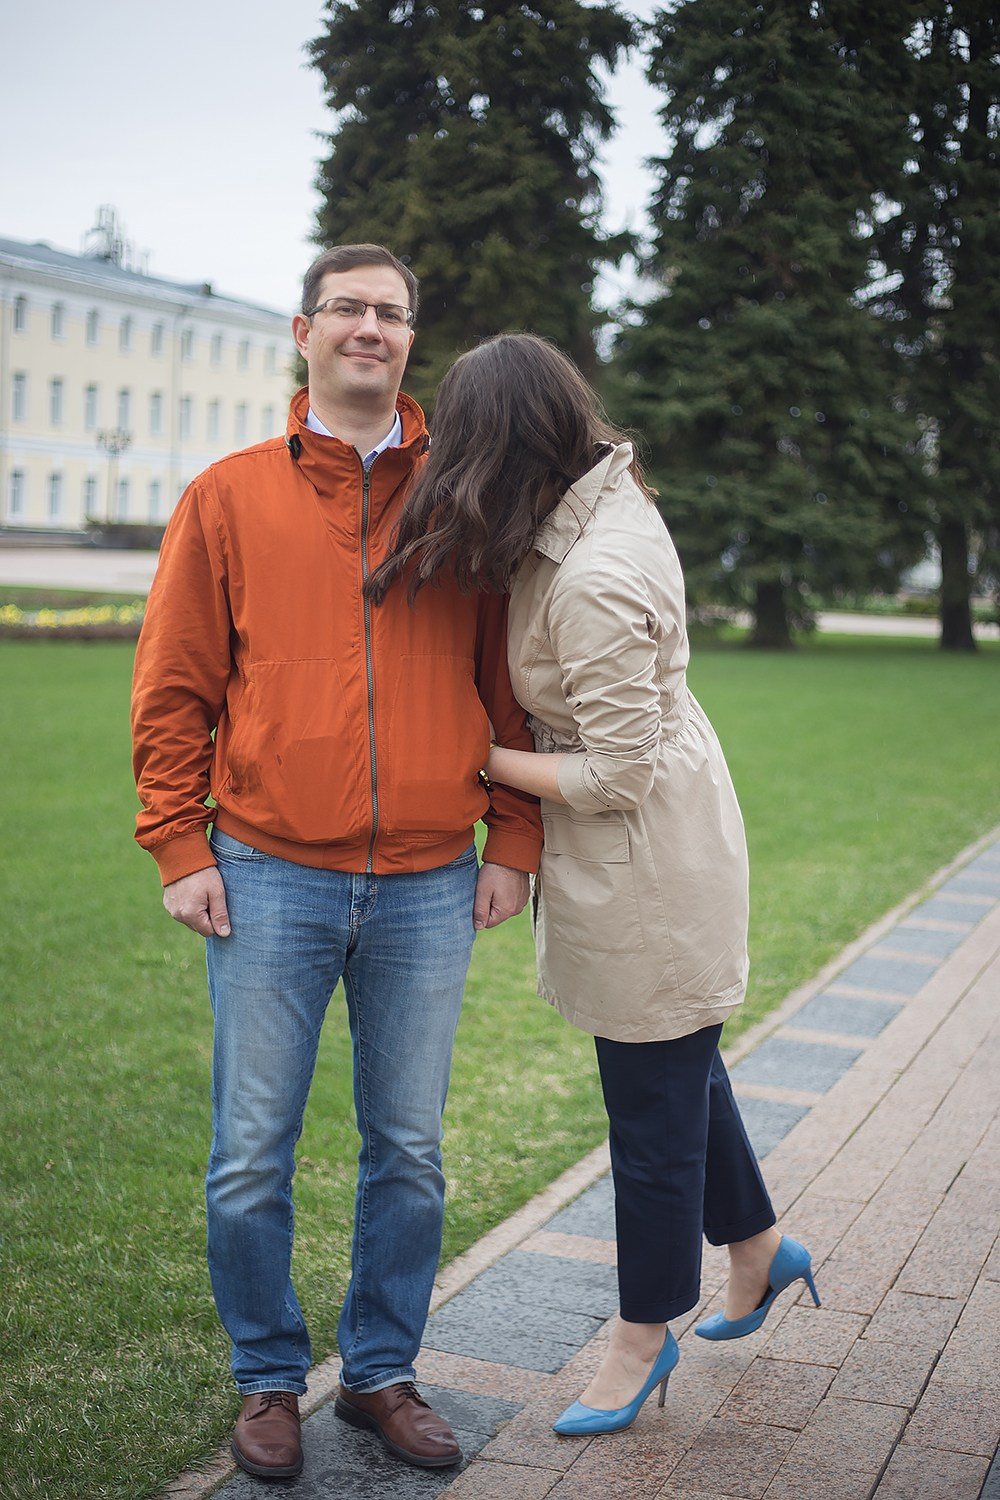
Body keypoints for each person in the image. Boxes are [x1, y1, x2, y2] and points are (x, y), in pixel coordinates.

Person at [130, 248, 542, 1480]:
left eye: (394, 313)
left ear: (412, 340)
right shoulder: (227, 495)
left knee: (406, 1149)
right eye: (350, 309)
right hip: (265, 872)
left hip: (426, 878)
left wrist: (511, 841)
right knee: (253, 1147)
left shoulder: (462, 500)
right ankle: (267, 1381)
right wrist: (177, 845)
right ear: (305, 331)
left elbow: (506, 687)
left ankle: (377, 1375)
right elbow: (174, 689)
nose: (371, 327)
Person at [367, 331, 820, 1437]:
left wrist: (472, 757)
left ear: (504, 445)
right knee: (679, 1062)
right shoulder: (582, 513)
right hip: (647, 842)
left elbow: (618, 772)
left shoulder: (599, 567)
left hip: (646, 859)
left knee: (650, 1107)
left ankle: (640, 1335)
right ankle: (759, 1247)